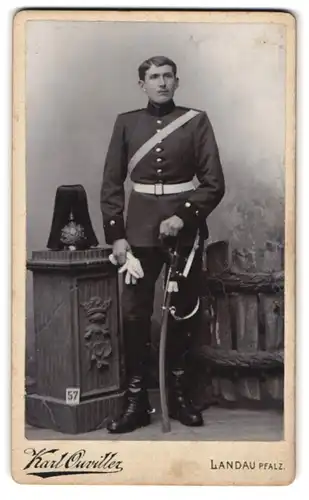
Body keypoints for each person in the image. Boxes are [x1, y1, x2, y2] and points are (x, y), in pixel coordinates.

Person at [100, 55, 225, 433]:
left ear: (177, 81)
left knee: (182, 314)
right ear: (142, 84)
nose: (162, 82)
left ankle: (179, 395)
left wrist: (183, 216)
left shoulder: (196, 121)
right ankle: (136, 402)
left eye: (168, 76)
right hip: (137, 235)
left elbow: (213, 183)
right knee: (135, 317)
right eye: (154, 77)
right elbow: (110, 185)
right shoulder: (127, 123)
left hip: (182, 236)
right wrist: (117, 235)